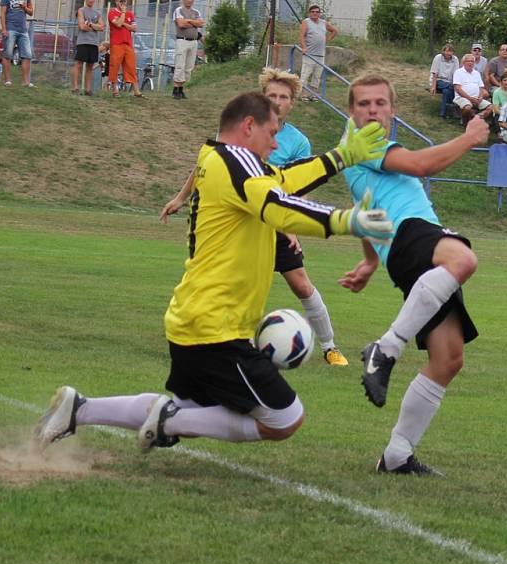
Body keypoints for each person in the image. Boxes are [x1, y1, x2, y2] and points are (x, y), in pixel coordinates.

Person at [34, 92, 393, 455]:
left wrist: (342, 156)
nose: (276, 141)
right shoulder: (237, 160)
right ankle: (166, 421)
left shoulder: (218, 157)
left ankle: (79, 409)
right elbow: (277, 206)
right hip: (215, 327)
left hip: (195, 317)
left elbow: (282, 181)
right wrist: (344, 220)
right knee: (285, 418)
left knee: (190, 409)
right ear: (248, 126)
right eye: (271, 132)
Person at [336, 74, 489, 475]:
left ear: (392, 109)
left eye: (380, 104)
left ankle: (397, 455)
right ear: (351, 112)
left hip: (405, 248)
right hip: (412, 235)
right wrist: (470, 136)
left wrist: (370, 260)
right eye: (364, 104)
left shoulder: (355, 151)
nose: (373, 110)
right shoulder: (362, 142)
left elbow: (364, 205)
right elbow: (422, 165)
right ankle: (384, 349)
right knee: (464, 260)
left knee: (448, 358)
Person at [161, 69, 350, 365]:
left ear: (292, 103)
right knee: (225, 272)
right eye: (271, 95)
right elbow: (205, 167)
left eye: (283, 97)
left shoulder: (298, 141)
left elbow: (292, 182)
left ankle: (329, 345)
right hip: (240, 215)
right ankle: (231, 338)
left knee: (300, 283)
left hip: (276, 216)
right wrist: (181, 197)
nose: (277, 101)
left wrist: (289, 225)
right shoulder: (241, 133)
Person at [299, 4, 337, 101]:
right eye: (313, 12)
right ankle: (303, 94)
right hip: (309, 54)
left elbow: (334, 31)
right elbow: (302, 36)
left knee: (317, 76)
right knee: (305, 75)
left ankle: (313, 94)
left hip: (320, 54)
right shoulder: (306, 22)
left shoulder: (323, 23)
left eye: (317, 12)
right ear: (309, 13)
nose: (315, 13)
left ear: (319, 13)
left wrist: (326, 40)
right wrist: (303, 47)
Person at [108, 0, 143, 98]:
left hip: (128, 44)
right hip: (116, 44)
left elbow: (134, 28)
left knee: (131, 66)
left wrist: (124, 24)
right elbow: (118, 24)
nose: (123, 2)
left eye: (124, 1)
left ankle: (136, 90)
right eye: (120, 1)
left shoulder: (130, 14)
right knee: (115, 66)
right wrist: (123, 13)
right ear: (116, 1)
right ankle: (115, 90)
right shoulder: (112, 12)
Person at [172, 0, 204, 100]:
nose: (189, 1)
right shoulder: (179, 10)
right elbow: (181, 24)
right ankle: (175, 89)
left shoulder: (196, 12)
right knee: (180, 65)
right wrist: (194, 23)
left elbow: (201, 24)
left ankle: (181, 89)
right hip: (182, 40)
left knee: (188, 67)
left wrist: (189, 21)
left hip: (194, 41)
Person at [72, 0, 104, 96]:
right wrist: (95, 28)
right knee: (79, 64)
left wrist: (90, 24)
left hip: (94, 43)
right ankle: (75, 87)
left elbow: (102, 27)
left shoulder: (97, 13)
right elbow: (82, 26)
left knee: (90, 66)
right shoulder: (81, 10)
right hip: (83, 42)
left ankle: (88, 89)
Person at [0, 0, 34, 87]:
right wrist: (4, 29)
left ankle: (26, 82)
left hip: (23, 30)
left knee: (27, 55)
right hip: (10, 28)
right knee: (7, 54)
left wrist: (24, 7)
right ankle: (8, 80)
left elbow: (31, 12)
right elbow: (3, 13)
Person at [452, 53, 491, 125]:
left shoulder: (477, 73)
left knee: (491, 107)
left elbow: (481, 87)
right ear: (463, 63)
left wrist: (480, 97)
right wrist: (470, 98)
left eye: (472, 61)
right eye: (468, 61)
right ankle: (465, 119)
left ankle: (476, 119)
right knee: (467, 108)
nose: (470, 63)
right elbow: (458, 89)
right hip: (462, 98)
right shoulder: (458, 72)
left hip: (477, 98)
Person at [429, 43, 459, 119]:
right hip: (438, 80)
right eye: (446, 51)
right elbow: (434, 73)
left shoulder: (455, 59)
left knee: (446, 91)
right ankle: (453, 106)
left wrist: (454, 83)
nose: (448, 53)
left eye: (450, 51)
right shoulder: (438, 57)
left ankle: (443, 113)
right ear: (443, 51)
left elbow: (456, 74)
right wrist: (433, 87)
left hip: (449, 82)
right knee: (452, 87)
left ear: (453, 52)